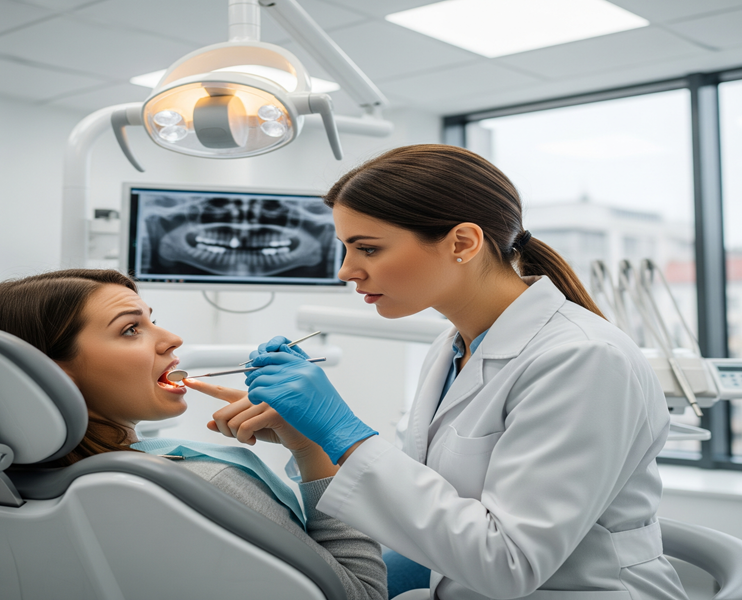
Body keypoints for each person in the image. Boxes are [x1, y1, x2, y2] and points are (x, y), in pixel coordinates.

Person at [218, 145, 690, 600]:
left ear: (463, 242)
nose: (347, 271)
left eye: (368, 249)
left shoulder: (584, 358)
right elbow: (438, 511)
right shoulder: (451, 346)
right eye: (345, 248)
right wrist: (314, 440)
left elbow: (510, 563)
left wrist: (345, 432)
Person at [0, 269, 387, 600]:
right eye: (131, 329)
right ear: (49, 375)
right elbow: (363, 592)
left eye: (152, 320)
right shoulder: (205, 481)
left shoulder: (17, 490)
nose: (171, 338)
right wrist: (311, 448)